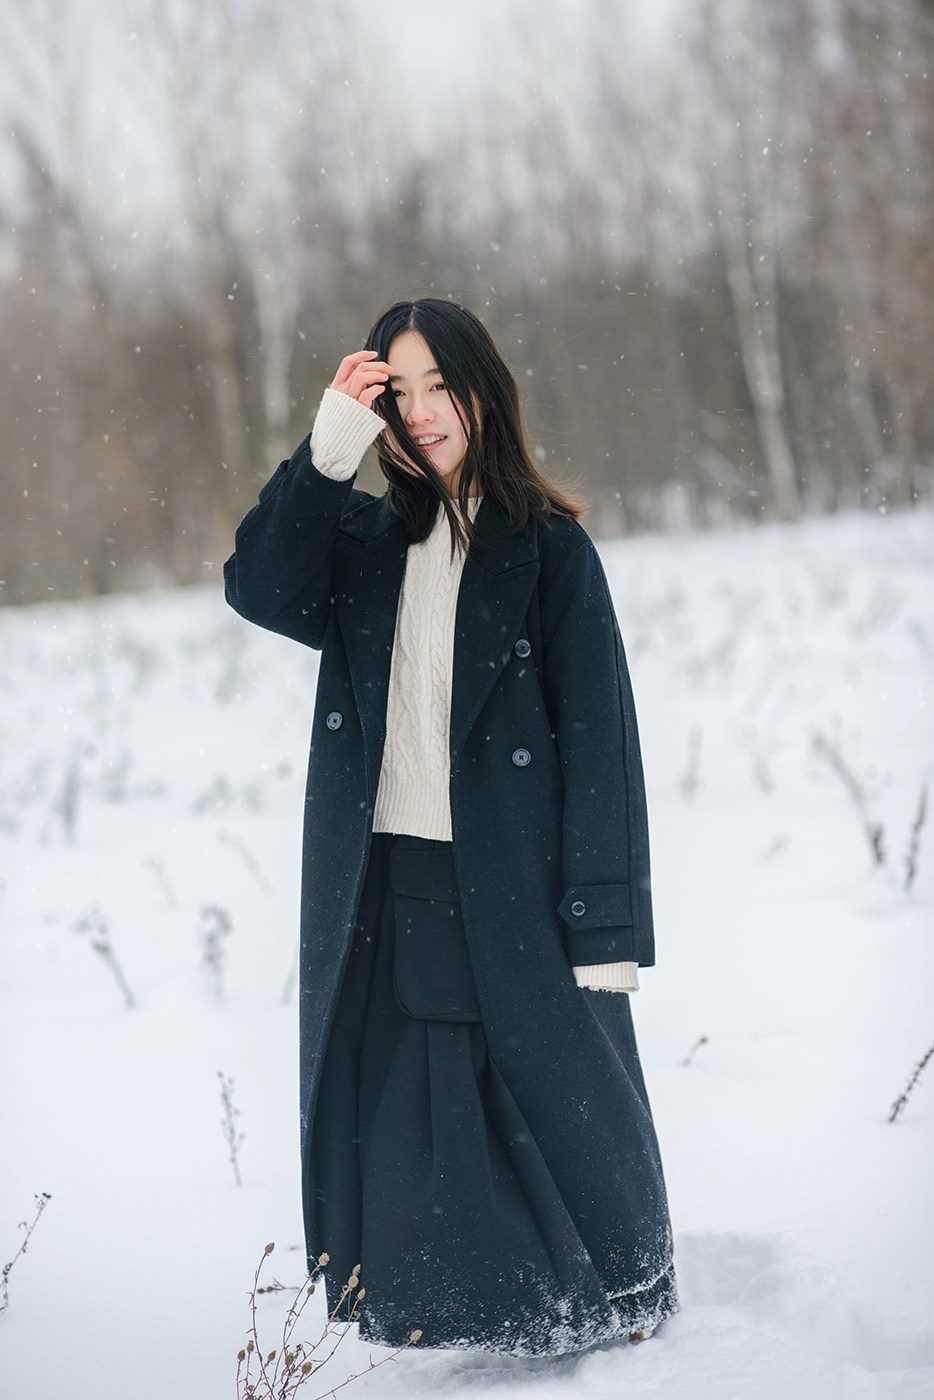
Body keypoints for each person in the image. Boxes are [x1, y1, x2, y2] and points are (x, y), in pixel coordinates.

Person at [223, 297, 678, 1357]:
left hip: (520, 880)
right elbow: (256, 586)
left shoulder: (551, 552)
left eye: (440, 385)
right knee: (411, 1101)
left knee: (546, 1091)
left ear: (483, 392)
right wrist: (329, 445)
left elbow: (603, 745)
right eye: (401, 389)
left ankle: (603, 1305)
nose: (423, 411)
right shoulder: (362, 542)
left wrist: (606, 925)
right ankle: (451, 1318)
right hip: (388, 877)